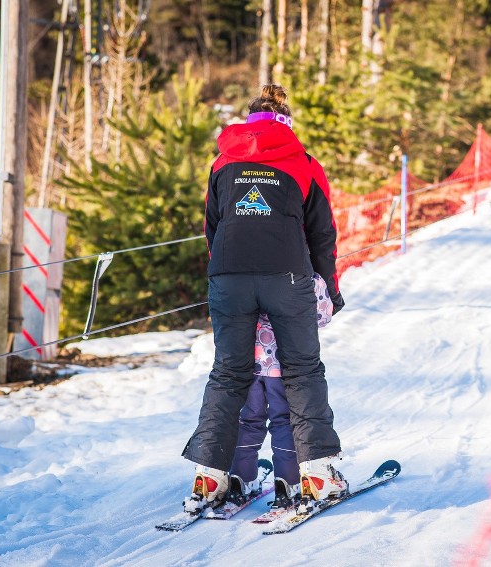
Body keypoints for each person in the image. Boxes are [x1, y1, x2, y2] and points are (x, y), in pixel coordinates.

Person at [182, 84, 347, 511]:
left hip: (229, 277)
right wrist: (329, 286)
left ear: (249, 121)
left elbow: (211, 227)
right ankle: (316, 476)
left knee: (227, 373)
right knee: (302, 371)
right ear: (287, 123)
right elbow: (322, 234)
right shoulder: (305, 164)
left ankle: (210, 478)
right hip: (287, 276)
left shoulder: (223, 163)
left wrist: (229, 273)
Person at [228, 273, 335, 506]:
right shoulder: (305, 276)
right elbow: (323, 315)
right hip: (282, 367)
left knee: (247, 420)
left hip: (250, 367)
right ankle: (287, 482)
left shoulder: (246, 276)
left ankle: (240, 477)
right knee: (284, 421)